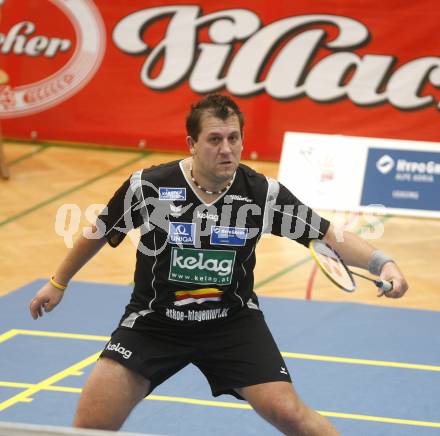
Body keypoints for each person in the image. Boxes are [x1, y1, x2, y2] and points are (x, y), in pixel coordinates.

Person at [29, 94, 408, 435]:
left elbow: (328, 235)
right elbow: (97, 232)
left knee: (290, 414)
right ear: (192, 144)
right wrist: (58, 282)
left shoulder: (261, 193)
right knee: (90, 425)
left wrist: (383, 263)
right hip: (155, 322)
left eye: (233, 138)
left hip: (231, 323)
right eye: (214, 139)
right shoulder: (148, 187)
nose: (226, 149)